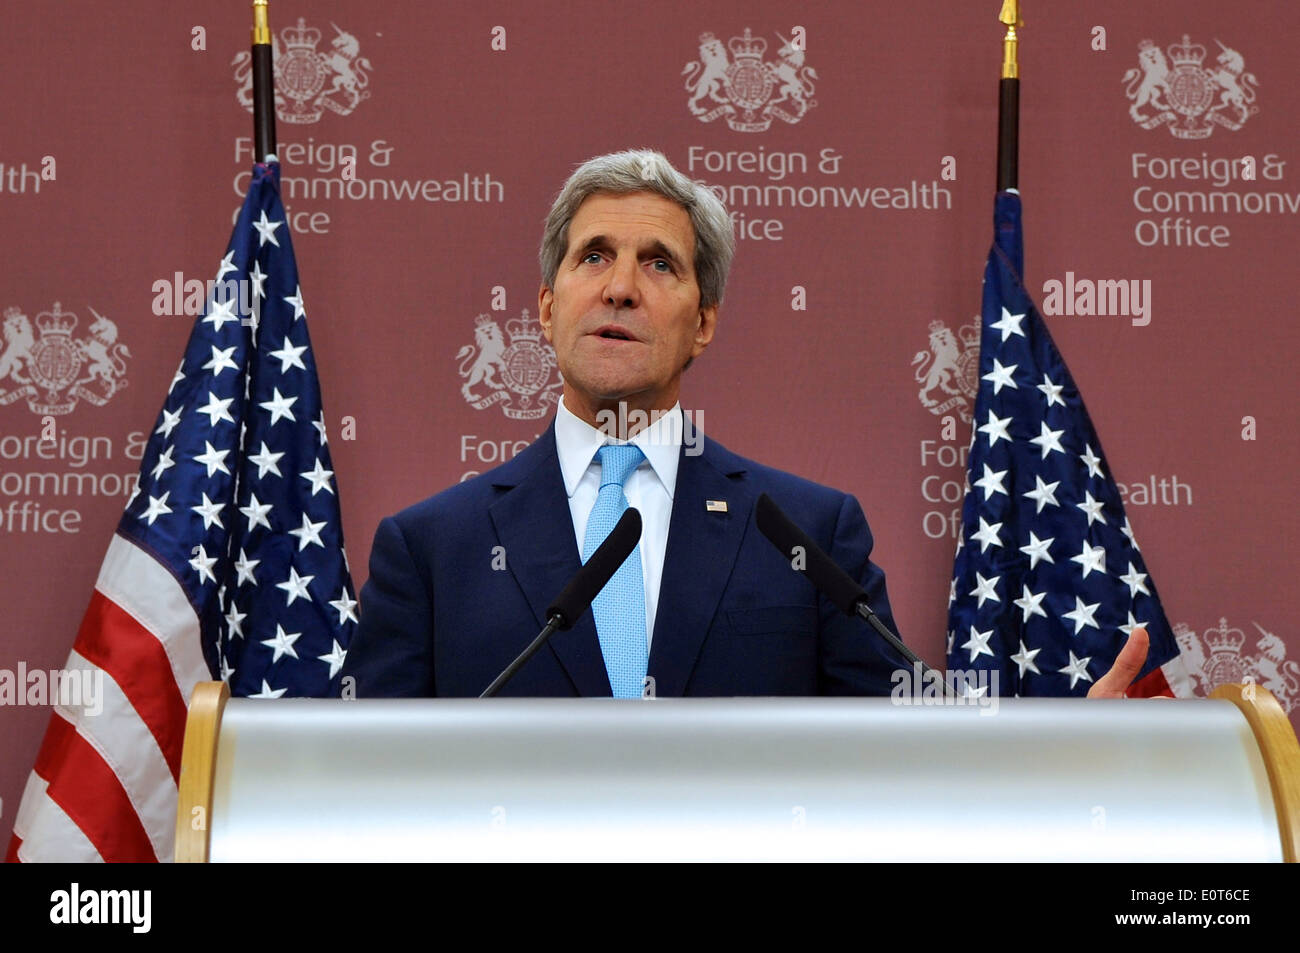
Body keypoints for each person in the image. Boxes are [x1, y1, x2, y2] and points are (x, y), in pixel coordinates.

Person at [341, 149, 1149, 699]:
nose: (621, 287)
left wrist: (1053, 757)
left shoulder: (809, 533)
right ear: (548, 311)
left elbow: (898, 760)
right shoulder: (432, 551)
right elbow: (368, 784)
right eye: (593, 256)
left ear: (705, 322)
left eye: (659, 263)